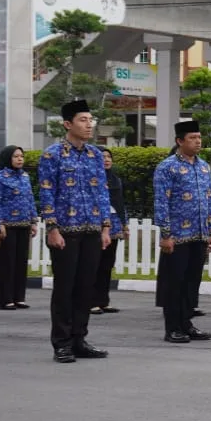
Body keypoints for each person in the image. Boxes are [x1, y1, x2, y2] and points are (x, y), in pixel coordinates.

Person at [37, 101, 112, 364]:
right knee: (64, 288)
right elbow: (46, 192)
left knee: (85, 288)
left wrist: (105, 226)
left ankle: (80, 338)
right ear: (68, 124)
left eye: (90, 119)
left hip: (92, 229)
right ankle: (62, 342)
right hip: (65, 231)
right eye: (83, 120)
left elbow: (102, 192)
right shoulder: (53, 155)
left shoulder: (94, 155)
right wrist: (52, 227)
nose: (89, 124)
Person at [153, 121, 211, 344]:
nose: (198, 141)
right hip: (177, 235)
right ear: (180, 141)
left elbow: (210, 200)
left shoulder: (203, 167)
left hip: (199, 234)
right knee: (174, 282)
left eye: (199, 137)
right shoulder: (167, 167)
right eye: (192, 138)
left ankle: (187, 323)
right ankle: (172, 327)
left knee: (192, 282)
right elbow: (162, 202)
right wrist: (166, 234)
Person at [0, 146, 35, 311]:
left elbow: (30, 198)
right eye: (16, 156)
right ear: (7, 158)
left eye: (21, 156)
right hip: (7, 225)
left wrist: (33, 221)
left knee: (21, 261)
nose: (19, 159)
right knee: (7, 262)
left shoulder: (25, 176)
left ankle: (19, 297)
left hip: (24, 223)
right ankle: (6, 298)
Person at [90, 147, 127, 315]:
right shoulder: (92, 179)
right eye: (103, 156)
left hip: (114, 223)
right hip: (97, 223)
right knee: (94, 264)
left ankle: (103, 301)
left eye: (109, 157)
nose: (106, 159)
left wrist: (124, 224)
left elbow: (120, 203)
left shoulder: (115, 180)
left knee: (107, 264)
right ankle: (91, 301)